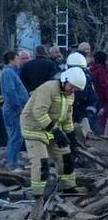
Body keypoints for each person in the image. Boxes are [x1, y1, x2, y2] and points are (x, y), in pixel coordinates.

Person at [21, 67, 86, 196]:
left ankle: (67, 187)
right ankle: (39, 194)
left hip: (52, 129)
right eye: (72, 87)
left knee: (66, 157)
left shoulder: (69, 95)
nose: (73, 91)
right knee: (41, 162)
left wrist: (72, 139)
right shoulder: (48, 88)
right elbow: (39, 112)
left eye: (75, 89)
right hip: (34, 128)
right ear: (64, 80)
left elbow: (67, 118)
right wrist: (56, 132)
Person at [1, 51, 29, 171]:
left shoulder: (11, 72)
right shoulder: (8, 72)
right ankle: (12, 163)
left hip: (14, 109)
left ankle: (14, 161)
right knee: (15, 136)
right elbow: (11, 91)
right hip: (13, 110)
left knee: (17, 136)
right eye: (17, 59)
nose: (19, 61)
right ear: (11, 60)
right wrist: (18, 107)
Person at [67, 52, 100, 132]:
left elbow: (92, 98)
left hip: (82, 113)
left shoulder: (88, 78)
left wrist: (89, 113)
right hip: (66, 116)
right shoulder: (62, 79)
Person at [90, 51, 108, 135]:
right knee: (100, 125)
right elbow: (104, 88)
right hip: (101, 101)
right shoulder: (102, 71)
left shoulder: (92, 70)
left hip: (94, 100)